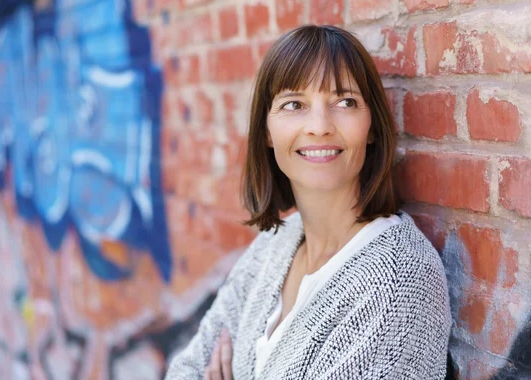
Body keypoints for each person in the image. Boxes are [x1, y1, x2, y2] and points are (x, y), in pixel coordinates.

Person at [164, 25, 452, 380]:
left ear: (373, 126)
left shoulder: (398, 280)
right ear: (267, 132)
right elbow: (186, 369)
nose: (319, 126)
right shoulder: (277, 242)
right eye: (294, 104)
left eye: (345, 102)